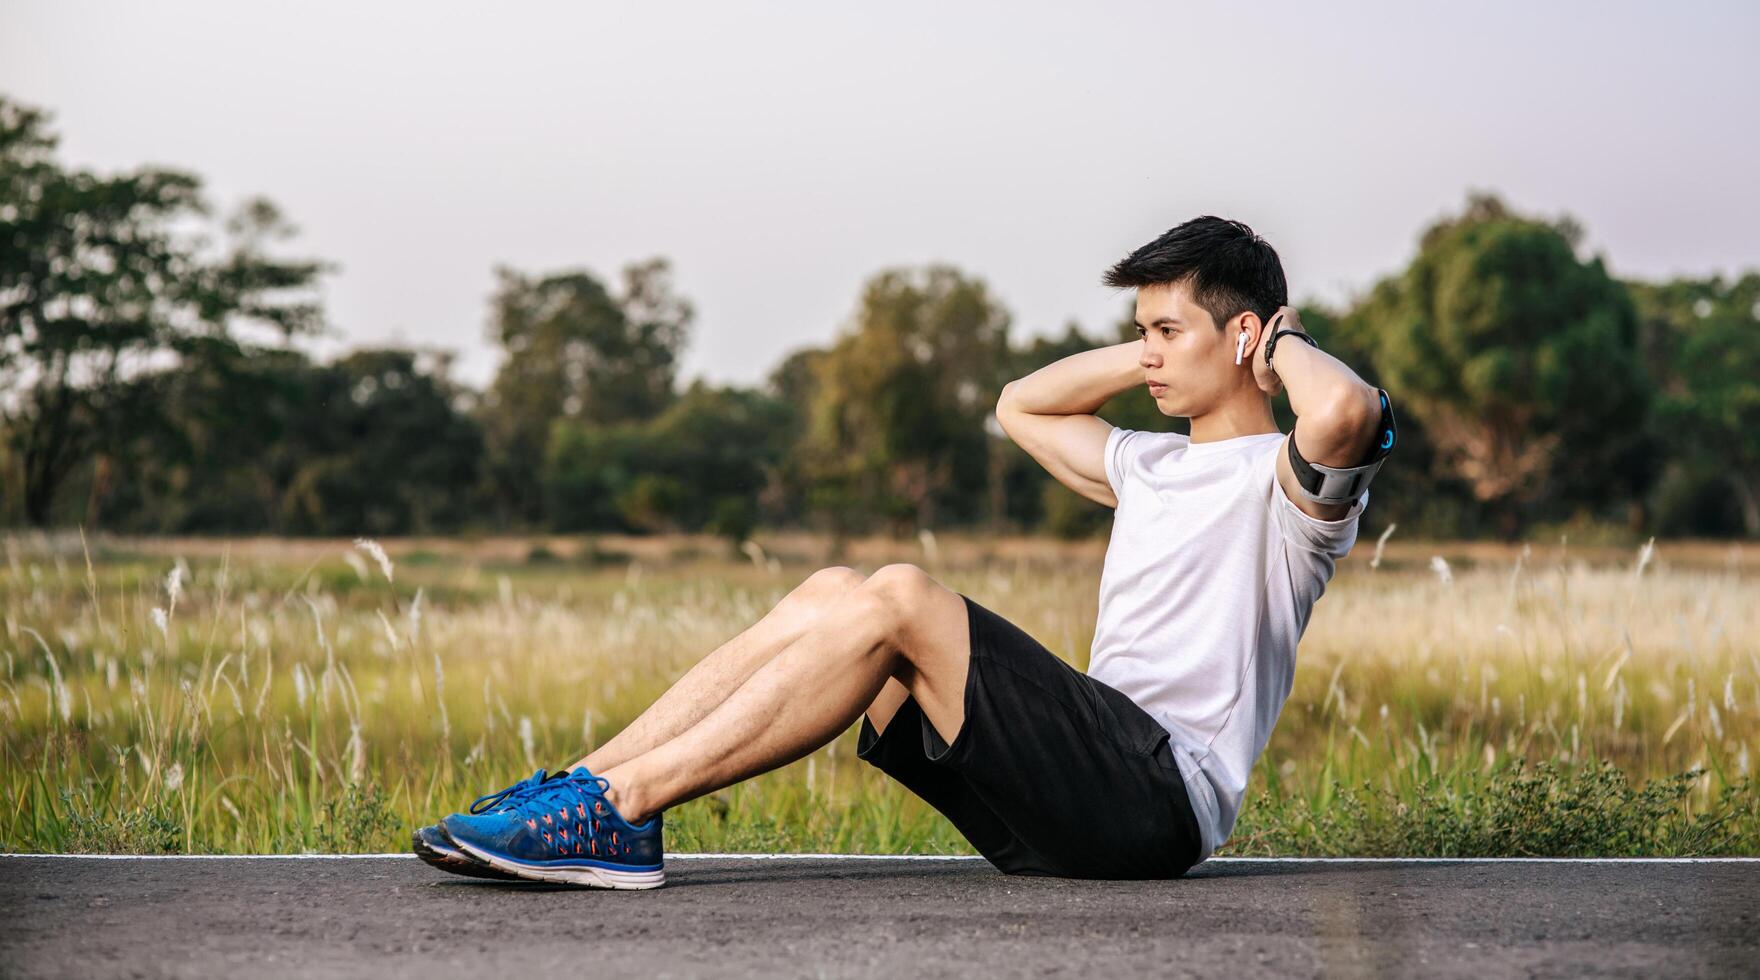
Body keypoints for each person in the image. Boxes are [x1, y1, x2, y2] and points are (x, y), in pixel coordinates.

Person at [413, 215, 1391, 888]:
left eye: (1166, 330)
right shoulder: (1143, 465)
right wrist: (1157, 347)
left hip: (1155, 797)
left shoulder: (1286, 488)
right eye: (1138, 332)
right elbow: (1019, 405)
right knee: (839, 588)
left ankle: (623, 805)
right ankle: (580, 792)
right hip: (1065, 798)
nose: (1144, 352)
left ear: (1245, 337)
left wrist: (1281, 340)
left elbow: (1345, 408)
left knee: (901, 596)